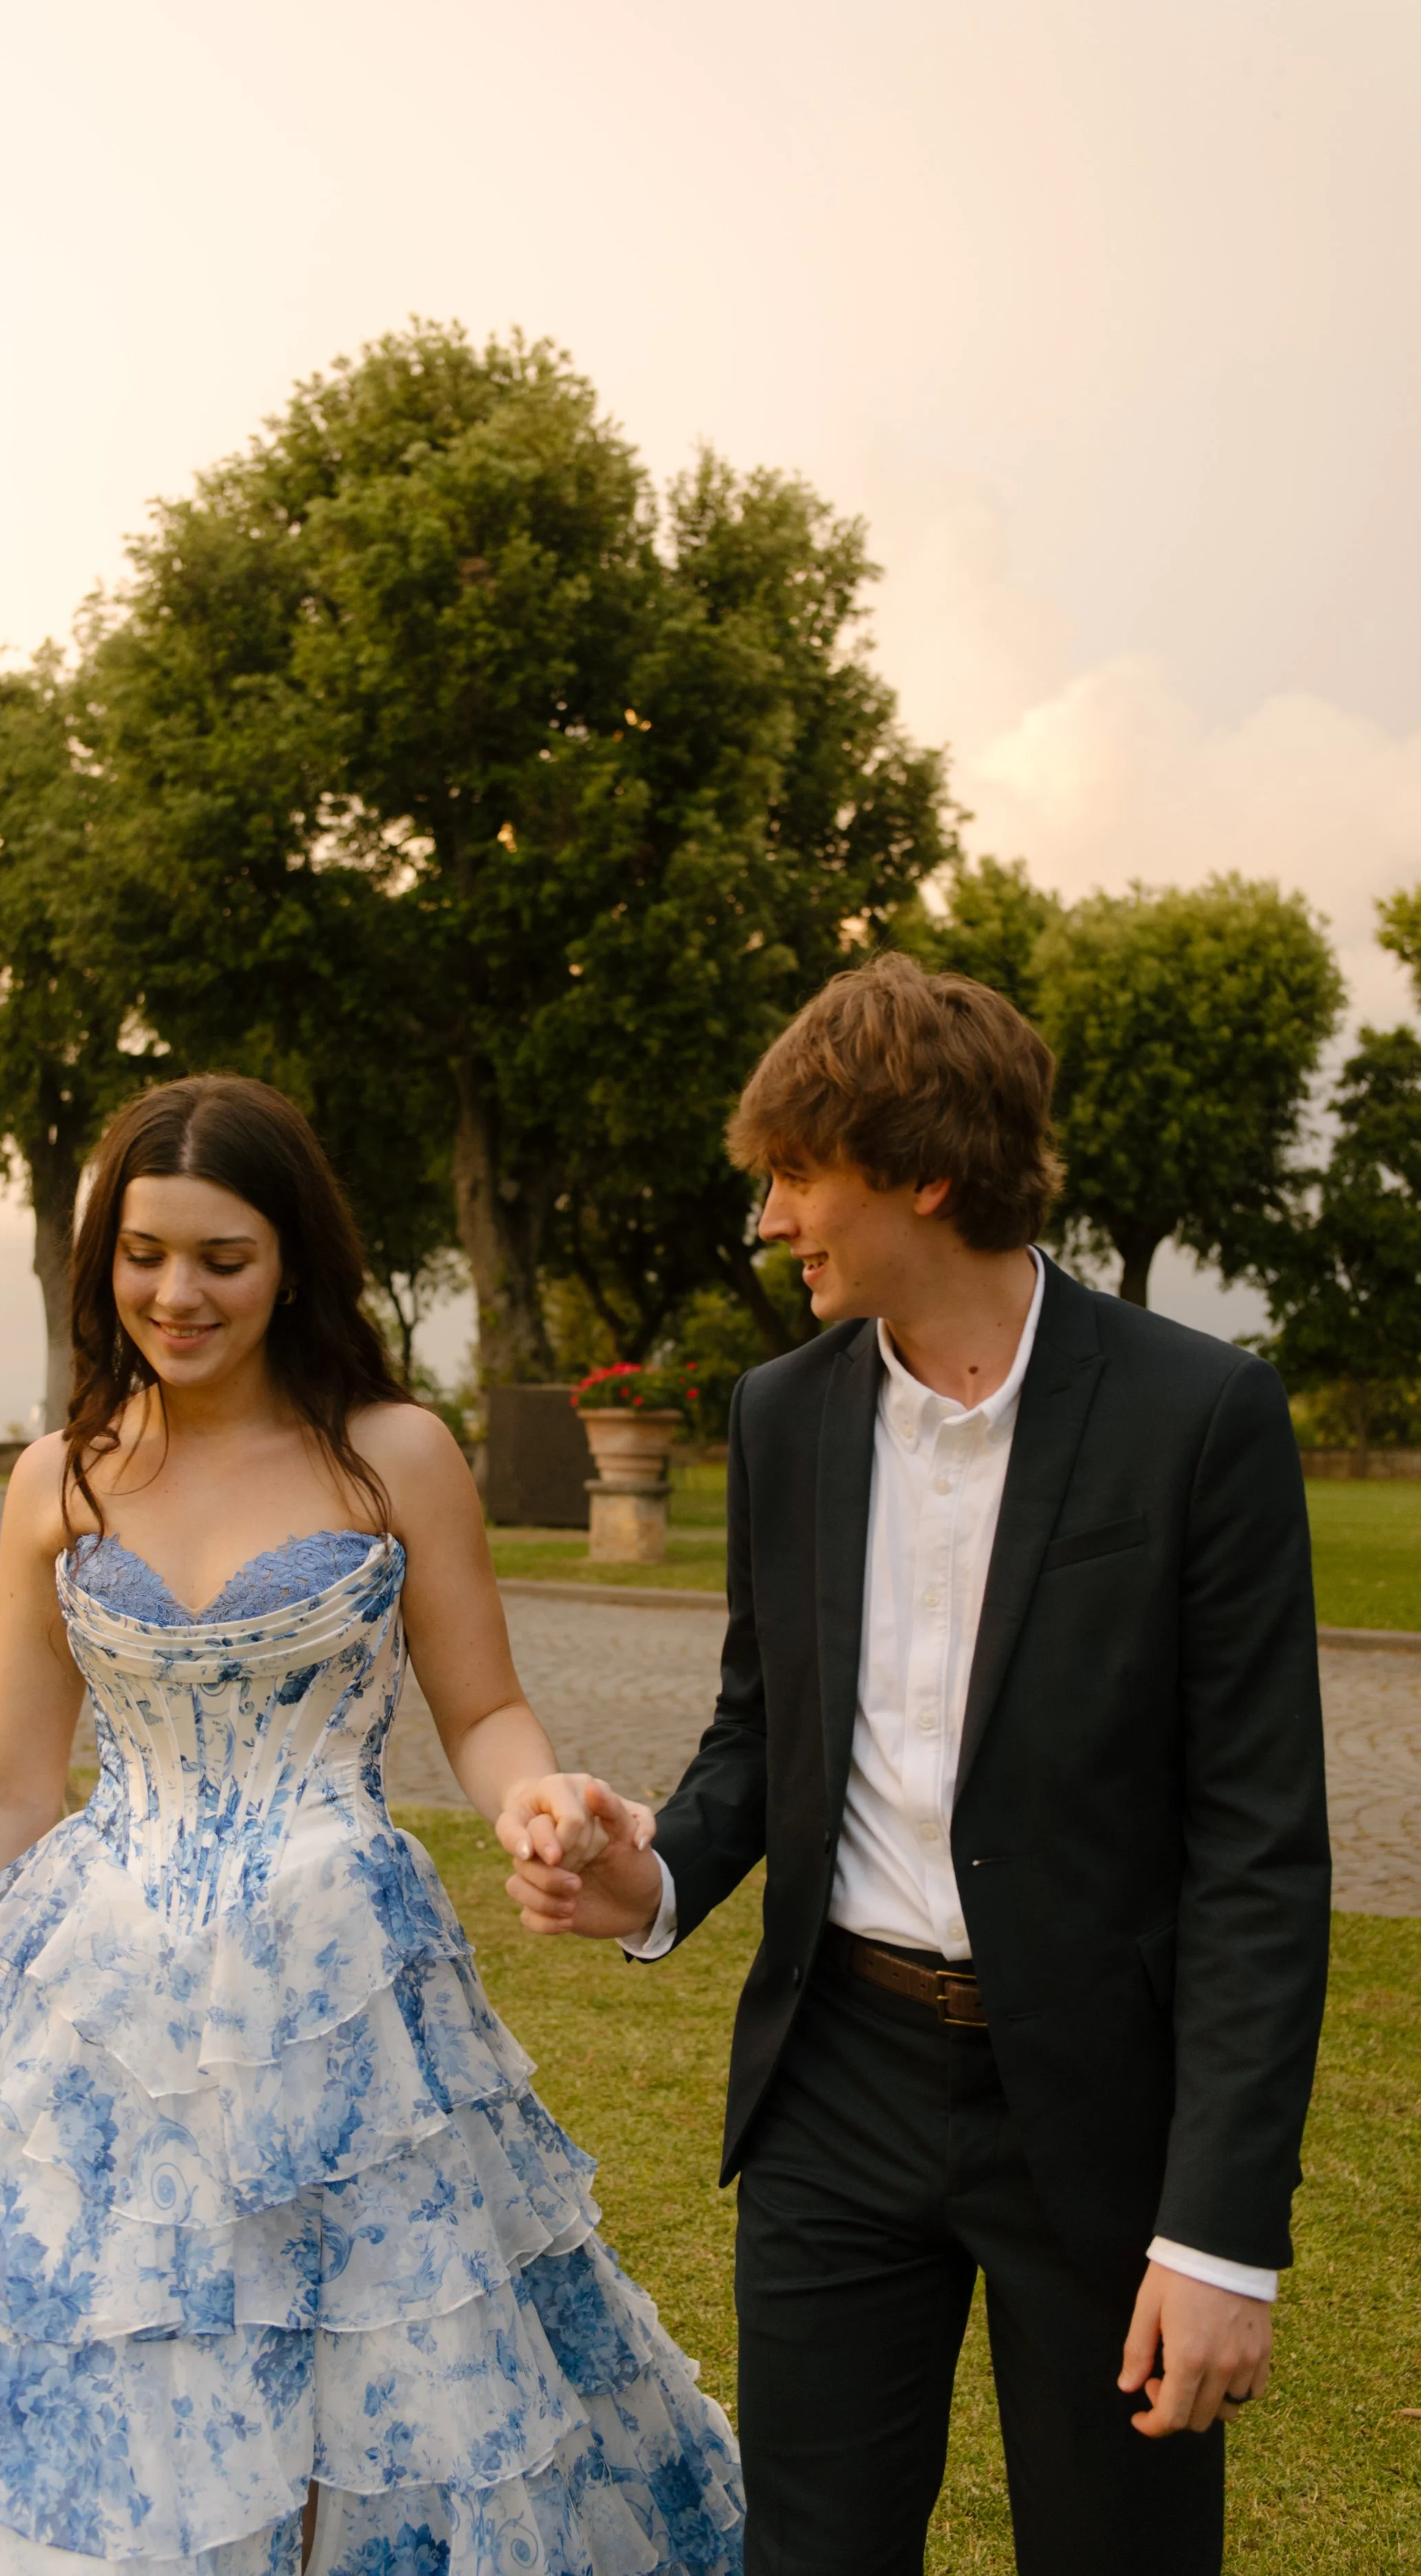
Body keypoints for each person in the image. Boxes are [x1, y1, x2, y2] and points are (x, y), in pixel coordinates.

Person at [0, 1074, 743, 2576]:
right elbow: (8, 1780)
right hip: (101, 2011)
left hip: (344, 2000)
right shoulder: (59, 1480)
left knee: (371, 2378)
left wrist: (534, 1796)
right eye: (144, 1255)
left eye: (223, 1257)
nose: (177, 1294)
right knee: (101, 2382)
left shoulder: (395, 1455)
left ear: (292, 1261)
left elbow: (482, 1709)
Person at [499, 956, 1331, 2576]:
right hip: (835, 2084)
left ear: (924, 1173)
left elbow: (1256, 1850)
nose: (770, 1220)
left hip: (1096, 2107)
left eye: (796, 1177)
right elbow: (763, 1731)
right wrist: (651, 1871)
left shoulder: (1197, 1415)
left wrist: (1220, 2234)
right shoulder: (780, 1414)